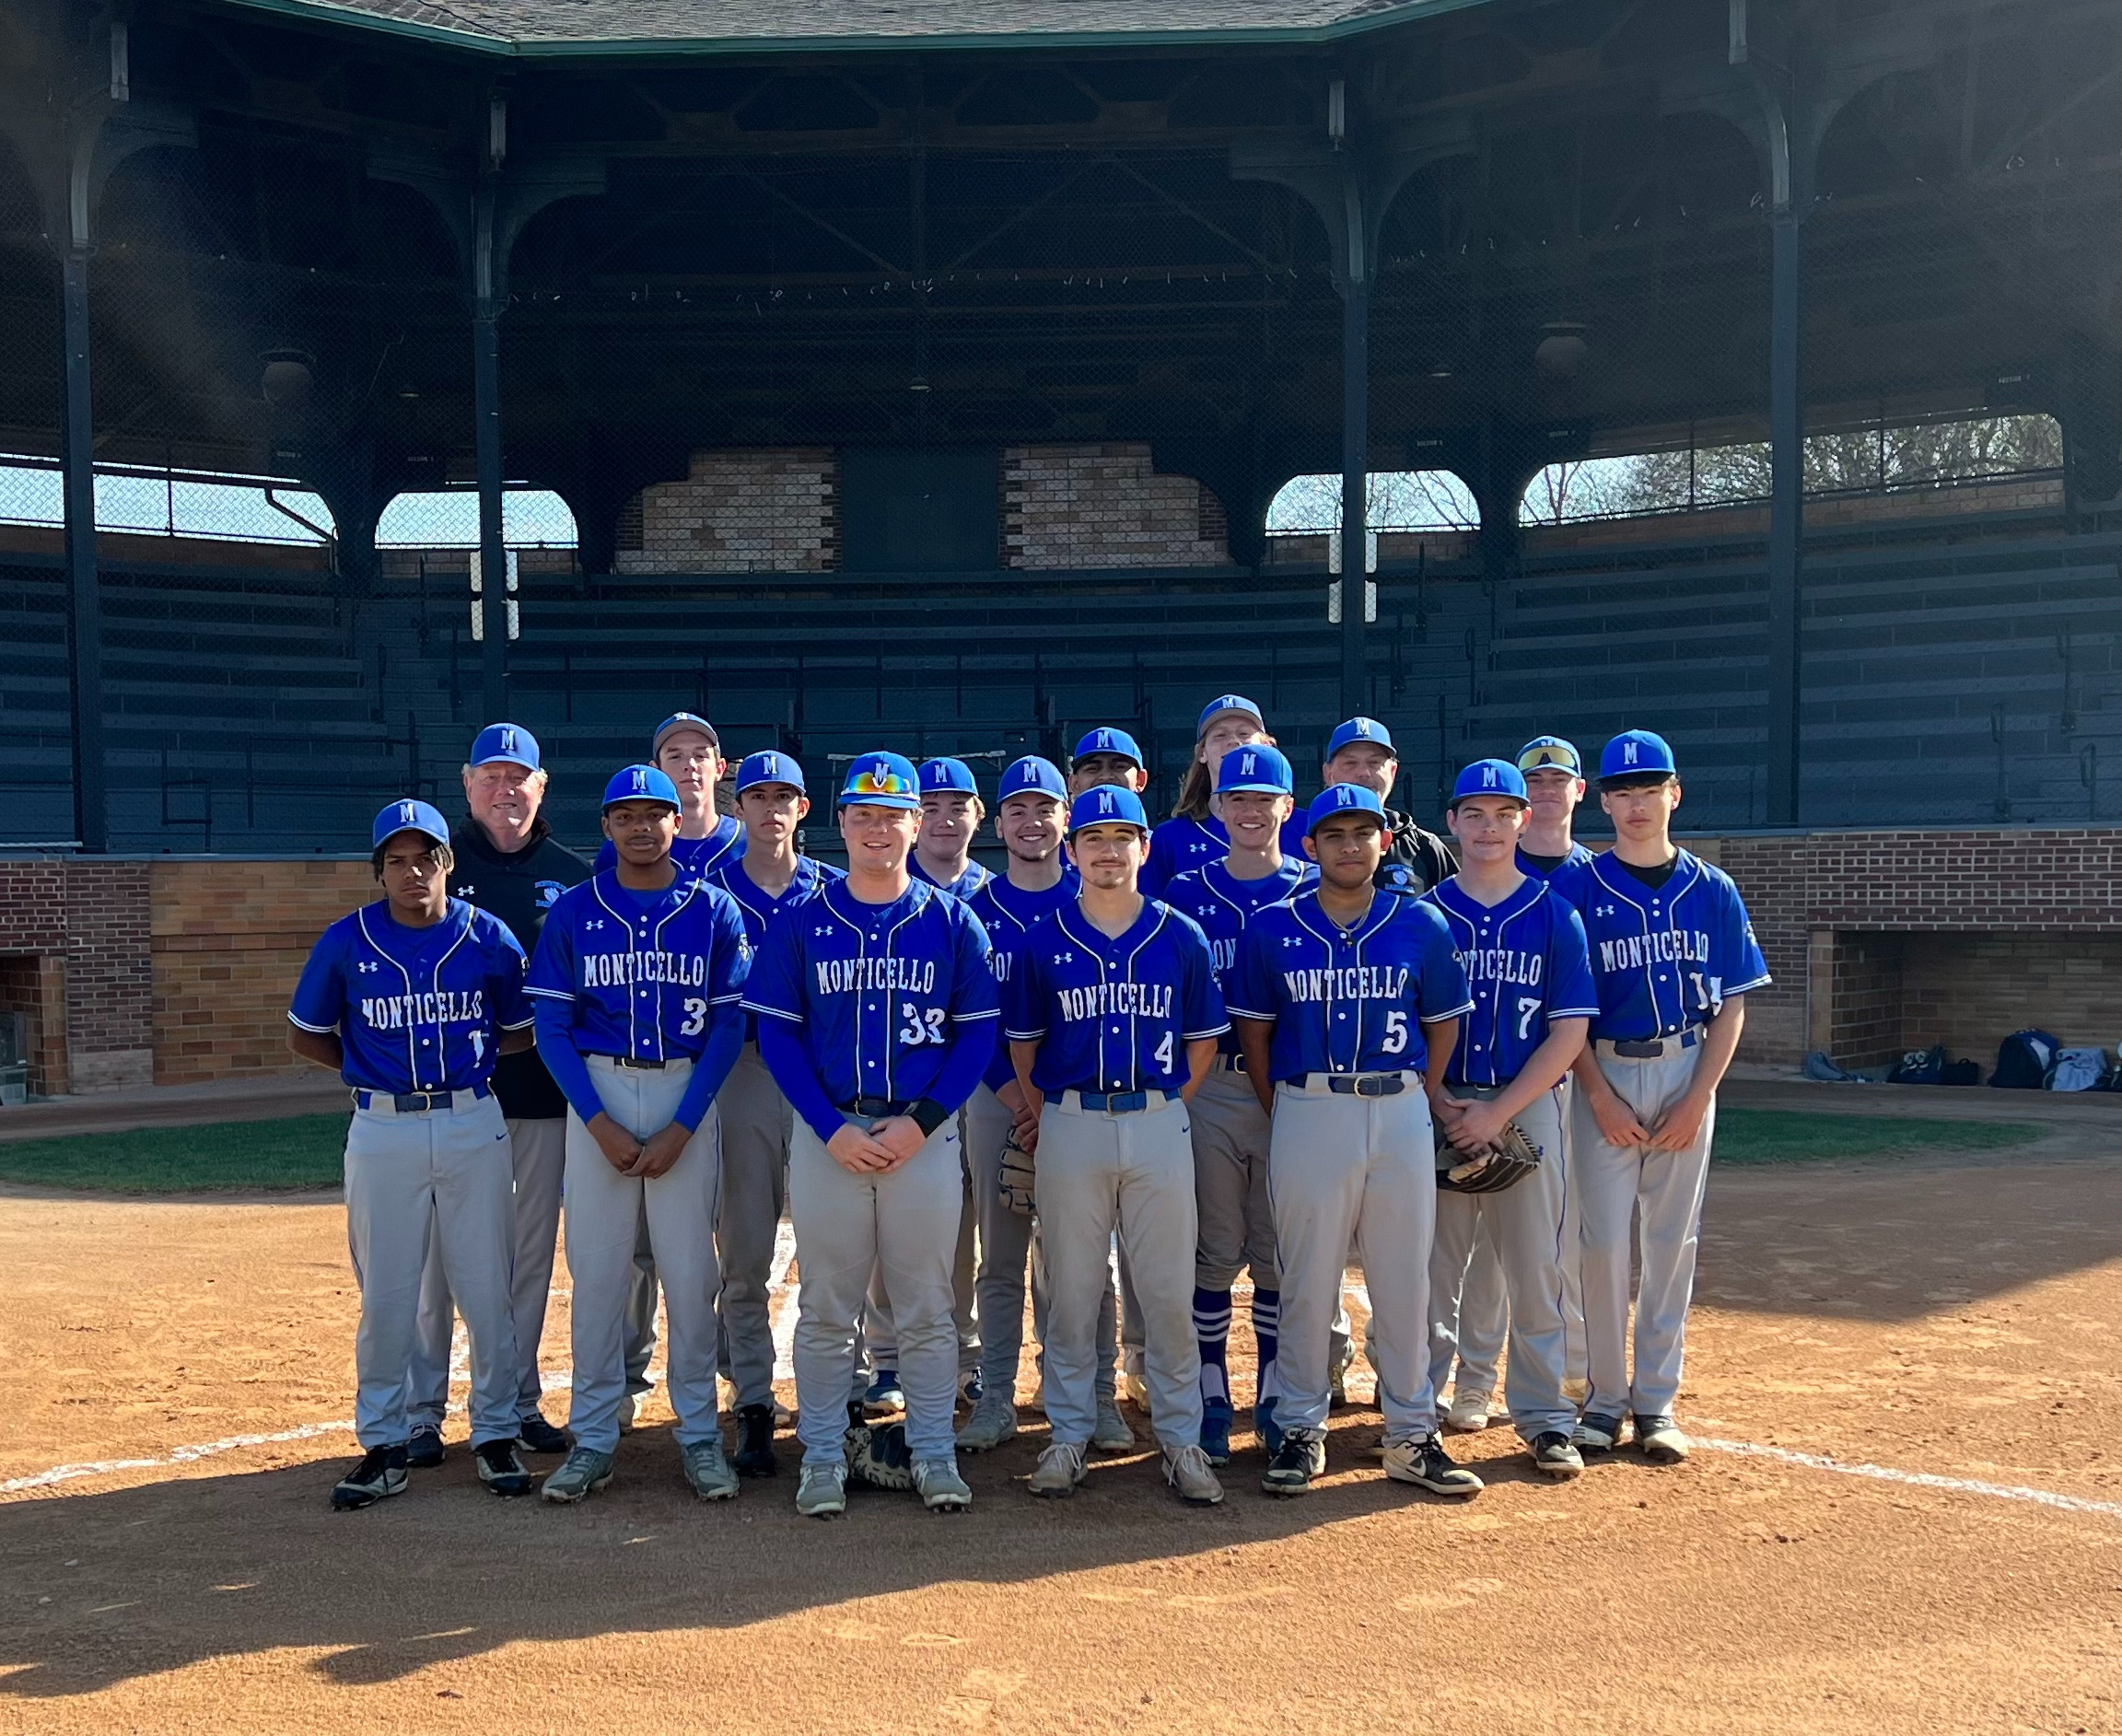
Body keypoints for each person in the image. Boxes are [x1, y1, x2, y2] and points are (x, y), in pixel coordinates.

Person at [743, 751, 999, 1519]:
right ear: (842, 824)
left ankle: (932, 1451)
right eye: (863, 814)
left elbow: (976, 1035)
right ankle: (821, 1454)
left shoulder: (954, 921)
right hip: (832, 1136)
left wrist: (923, 1123)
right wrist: (828, 1128)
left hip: (922, 1133)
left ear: (917, 824)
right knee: (827, 1306)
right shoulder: (802, 920)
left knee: (925, 1306)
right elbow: (779, 1039)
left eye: (893, 815)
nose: (878, 828)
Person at [1230, 784, 1482, 1498]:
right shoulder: (1271, 929)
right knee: (1307, 1278)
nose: (1349, 844)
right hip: (1309, 1105)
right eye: (1334, 833)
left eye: (1362, 832)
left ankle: (1410, 1433)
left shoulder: (1421, 924)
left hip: (1398, 1104)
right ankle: (1303, 1428)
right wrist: (1290, 1108)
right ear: (1308, 846)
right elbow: (1255, 1035)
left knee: (1406, 1278)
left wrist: (1417, 1094)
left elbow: (1442, 1026)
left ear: (1381, 842)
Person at [289, 800, 536, 1509]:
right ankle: (386, 1442)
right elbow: (305, 1034)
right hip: (383, 1129)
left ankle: (494, 1432)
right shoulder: (346, 940)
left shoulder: (488, 937)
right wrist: (364, 1065)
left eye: (425, 856)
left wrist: (473, 1059)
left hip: (470, 1118)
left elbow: (517, 1030)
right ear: (379, 871)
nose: (412, 870)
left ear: (447, 864)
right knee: (389, 1292)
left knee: (487, 1285)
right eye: (396, 859)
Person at [527, 765, 752, 1504]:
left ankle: (697, 1434)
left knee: (690, 1278)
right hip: (598, 1086)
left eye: (656, 813)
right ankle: (593, 1435)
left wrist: (685, 1124)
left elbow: (728, 1025)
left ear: (676, 822)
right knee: (597, 1277)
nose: (643, 827)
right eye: (626, 815)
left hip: (685, 1084)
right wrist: (595, 1121)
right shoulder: (574, 911)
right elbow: (551, 1028)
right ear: (607, 827)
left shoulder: (714, 910)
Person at [1004, 785, 1228, 1507]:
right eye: (1094, 838)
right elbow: (1023, 1044)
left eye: (1121, 837)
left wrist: (1163, 1109)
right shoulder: (1043, 939)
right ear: (1072, 852)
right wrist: (1056, 1117)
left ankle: (1181, 1437)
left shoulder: (1179, 933)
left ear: (1144, 847)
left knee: (1164, 1290)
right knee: (1070, 1288)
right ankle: (1068, 1434)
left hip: (1159, 1114)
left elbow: (1202, 1043)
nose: (1108, 850)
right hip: (1071, 1116)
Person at [1566, 729, 1769, 1465]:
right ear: (1606, 802)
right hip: (1604, 1074)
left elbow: (1733, 1006)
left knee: (1670, 1244)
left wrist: (1698, 1098)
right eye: (1622, 790)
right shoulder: (1579, 889)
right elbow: (1568, 1014)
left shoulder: (1712, 888)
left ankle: (1656, 1402)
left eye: (1650, 788)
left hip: (1687, 1067)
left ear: (1674, 794)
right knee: (1599, 1246)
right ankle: (1601, 1400)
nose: (1636, 803)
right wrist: (1598, 1095)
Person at [403, 723, 587, 1467]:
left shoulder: (574, 875)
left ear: (541, 788)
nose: (506, 790)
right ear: (467, 781)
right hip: (455, 1098)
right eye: (492, 776)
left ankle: (514, 1399)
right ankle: (422, 1412)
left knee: (527, 1258)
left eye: (521, 778)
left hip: (540, 1096)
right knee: (436, 1260)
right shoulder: (431, 865)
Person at [1423, 760, 1598, 1480]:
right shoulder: (1425, 914)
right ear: (1454, 823)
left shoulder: (1557, 913)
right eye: (1475, 813)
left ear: (1526, 820)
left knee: (1535, 1272)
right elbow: (1402, 1024)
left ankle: (1544, 1416)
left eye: (1504, 813)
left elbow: (1569, 1032)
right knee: (1426, 1274)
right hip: (1436, 1106)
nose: (1489, 827)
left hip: (1523, 1106)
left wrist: (1497, 1110)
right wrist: (1441, 1101)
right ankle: (1413, 1410)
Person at [956, 757, 1133, 1455]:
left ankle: (1097, 1393)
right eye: (1018, 810)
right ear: (998, 825)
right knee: (1000, 1257)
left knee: (1091, 1260)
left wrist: (1045, 1099)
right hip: (998, 1095)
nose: (1033, 822)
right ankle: (996, 1393)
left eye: (1046, 808)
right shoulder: (976, 909)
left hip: (1076, 1101)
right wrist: (1017, 1097)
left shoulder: (1095, 900)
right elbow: (969, 1019)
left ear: (1069, 816)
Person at [1159, 742, 1312, 1464]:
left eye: (1264, 799)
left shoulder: (1318, 887)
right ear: (1215, 806)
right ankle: (1214, 1390)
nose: (1250, 811)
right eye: (1237, 799)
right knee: (1215, 1244)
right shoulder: (1185, 893)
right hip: (1214, 1085)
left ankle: (1277, 1393)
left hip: (1294, 1090)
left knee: (1278, 1246)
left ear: (1288, 806)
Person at [591, 712, 744, 1426]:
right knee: (632, 1249)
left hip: (721, 1064)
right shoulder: (603, 881)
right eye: (672, 755)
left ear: (721, 767)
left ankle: (732, 1383)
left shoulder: (745, 852)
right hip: (628, 1070)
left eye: (699, 754)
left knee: (717, 1238)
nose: (687, 765)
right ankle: (624, 1377)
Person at [708, 751, 844, 1478]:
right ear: (740, 807)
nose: (769, 808)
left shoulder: (831, 889)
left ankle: (838, 1394)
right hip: (747, 1073)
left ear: (803, 807)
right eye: (755, 795)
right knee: (748, 1245)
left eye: (782, 795)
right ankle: (754, 1400)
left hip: (821, 1077)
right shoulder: (713, 889)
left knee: (838, 1244)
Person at [858, 755, 990, 1416]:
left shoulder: (987, 894)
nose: (943, 816)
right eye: (931, 804)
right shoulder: (873, 890)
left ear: (977, 814)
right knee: (891, 1219)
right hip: (907, 1092)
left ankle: (967, 1358)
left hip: (986, 1083)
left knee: (973, 1228)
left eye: (956, 803)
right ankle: (887, 1357)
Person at [1143, 694, 1308, 897]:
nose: (1233, 742)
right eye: (1220, 735)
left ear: (1266, 746)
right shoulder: (1170, 837)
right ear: (1201, 752)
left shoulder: (1306, 827)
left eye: (1244, 733)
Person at [1320, 717, 1456, 897]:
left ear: (1392, 772)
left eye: (1374, 763)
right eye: (1350, 763)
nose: (1364, 773)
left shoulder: (1425, 848)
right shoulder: (1304, 842)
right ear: (1328, 774)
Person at [911, 756, 993, 898]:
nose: (945, 822)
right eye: (931, 811)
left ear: (977, 816)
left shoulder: (994, 891)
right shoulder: (887, 882)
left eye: (957, 810)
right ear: (912, 819)